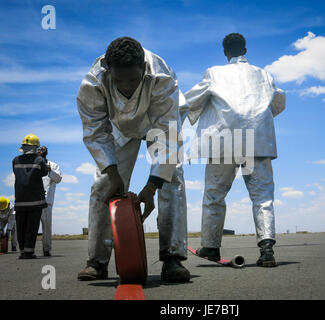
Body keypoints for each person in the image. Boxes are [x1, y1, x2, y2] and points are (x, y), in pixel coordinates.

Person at [76, 37, 190, 282]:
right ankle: (97, 261)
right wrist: (114, 174)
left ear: (144, 70)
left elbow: (167, 135)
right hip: (119, 126)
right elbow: (95, 129)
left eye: (133, 80)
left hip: (158, 121)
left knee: (172, 177)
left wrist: (151, 186)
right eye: (119, 81)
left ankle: (172, 258)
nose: (126, 87)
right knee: (103, 185)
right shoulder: (93, 82)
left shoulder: (162, 78)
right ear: (108, 71)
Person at [184, 33, 285, 267]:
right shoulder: (264, 74)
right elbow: (279, 101)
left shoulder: (214, 73)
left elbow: (192, 100)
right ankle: (267, 249)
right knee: (262, 197)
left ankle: (210, 246)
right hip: (256, 141)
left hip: (224, 142)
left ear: (225, 52)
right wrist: (260, 118)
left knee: (214, 194)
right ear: (245, 50)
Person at [13, 134, 48, 259]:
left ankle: (22, 251)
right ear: (36, 147)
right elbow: (44, 172)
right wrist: (43, 158)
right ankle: (29, 251)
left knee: (21, 226)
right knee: (31, 227)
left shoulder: (15, 160)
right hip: (35, 201)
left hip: (20, 200)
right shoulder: (39, 160)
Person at [38, 146, 62, 257]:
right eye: (39, 149)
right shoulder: (33, 165)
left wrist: (49, 170)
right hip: (33, 199)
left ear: (47, 152)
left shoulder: (53, 165)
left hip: (47, 201)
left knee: (47, 226)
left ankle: (46, 249)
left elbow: (58, 179)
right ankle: (28, 250)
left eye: (44, 149)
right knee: (31, 226)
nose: (42, 150)